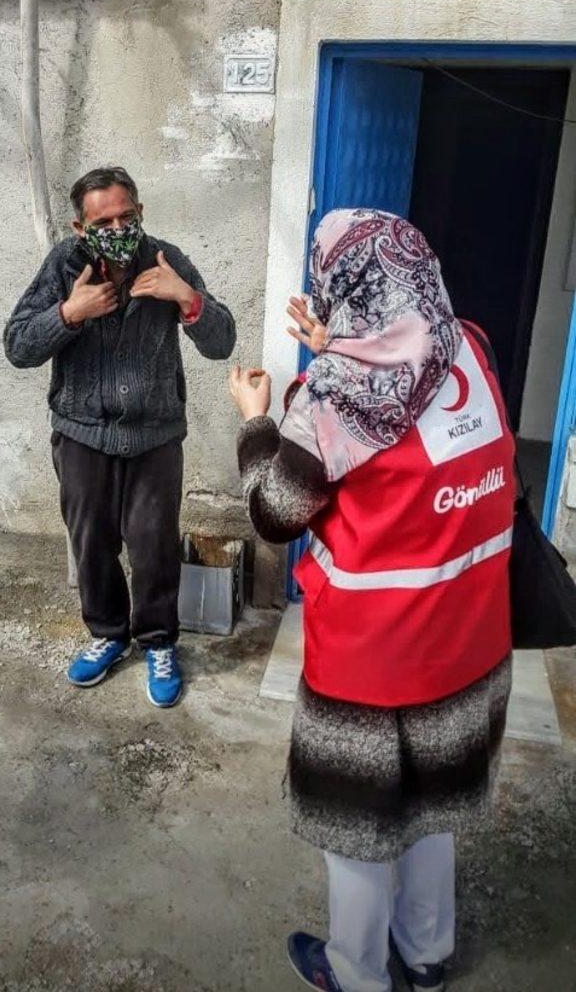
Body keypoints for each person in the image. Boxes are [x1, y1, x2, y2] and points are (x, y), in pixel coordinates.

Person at [229, 208, 514, 992]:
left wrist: (257, 421)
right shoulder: (472, 345)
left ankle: (357, 973)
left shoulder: (332, 395)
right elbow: (409, 392)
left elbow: (275, 512)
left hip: (374, 660)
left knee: (356, 830)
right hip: (469, 639)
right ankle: (427, 956)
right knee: (432, 809)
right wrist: (339, 345)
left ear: (341, 284)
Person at [5, 166, 235, 708]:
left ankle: (158, 641)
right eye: (103, 221)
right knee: (92, 543)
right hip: (82, 434)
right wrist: (69, 313)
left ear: (140, 212)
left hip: (155, 435)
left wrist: (187, 299)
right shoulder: (65, 266)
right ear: (80, 227)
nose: (117, 228)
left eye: (125, 217)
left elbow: (221, 342)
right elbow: (17, 345)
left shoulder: (166, 259)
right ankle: (108, 634)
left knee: (154, 545)